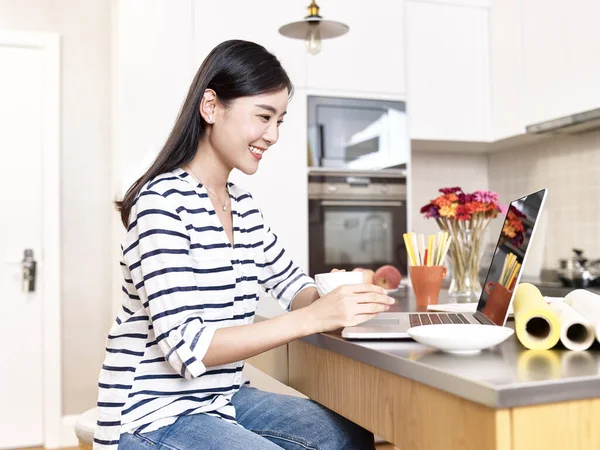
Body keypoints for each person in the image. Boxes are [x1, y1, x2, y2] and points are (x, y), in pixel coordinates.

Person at [94, 39, 394, 450]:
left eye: (280, 121)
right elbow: (187, 347)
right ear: (211, 107)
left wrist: (328, 295)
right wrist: (314, 317)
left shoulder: (242, 206)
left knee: (350, 436)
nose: (272, 135)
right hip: (150, 415)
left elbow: (293, 287)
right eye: (263, 116)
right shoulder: (160, 204)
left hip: (218, 398)